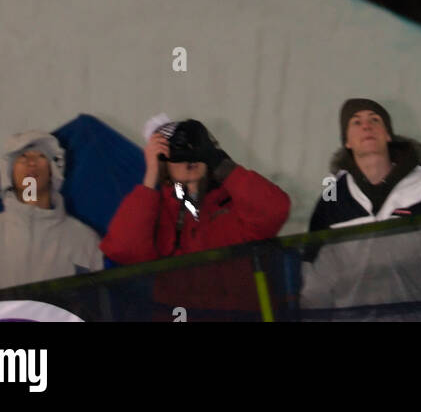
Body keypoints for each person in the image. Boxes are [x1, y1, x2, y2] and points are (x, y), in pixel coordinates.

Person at [100, 115, 290, 320]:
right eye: (178, 151)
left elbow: (274, 210)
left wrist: (220, 163)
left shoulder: (234, 203)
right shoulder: (155, 212)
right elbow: (124, 250)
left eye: (195, 148)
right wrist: (150, 178)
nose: (189, 157)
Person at [299, 97, 421, 321]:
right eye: (356, 122)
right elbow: (315, 286)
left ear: (388, 134)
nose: (366, 126)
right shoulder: (331, 203)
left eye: (375, 119)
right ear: (347, 142)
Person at [0, 131, 103, 295]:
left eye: (41, 156)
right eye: (22, 157)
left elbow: (100, 309)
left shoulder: (85, 242)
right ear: (9, 172)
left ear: (53, 171)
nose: (31, 163)